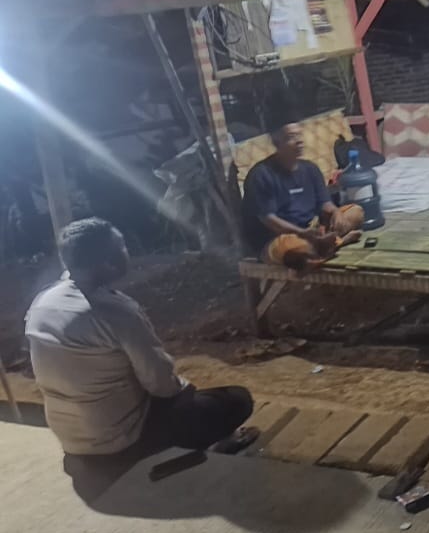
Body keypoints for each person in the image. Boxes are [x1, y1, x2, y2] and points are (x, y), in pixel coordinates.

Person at [25, 219, 256, 461]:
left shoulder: (43, 301)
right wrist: (184, 390)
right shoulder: (115, 312)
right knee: (237, 399)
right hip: (121, 440)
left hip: (71, 438)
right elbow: (161, 385)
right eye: (121, 247)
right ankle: (190, 452)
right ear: (108, 262)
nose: (127, 252)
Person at [241, 121, 364, 269]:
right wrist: (302, 233)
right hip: (279, 237)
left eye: (299, 135)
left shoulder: (310, 169)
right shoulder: (261, 174)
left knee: (356, 212)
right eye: (291, 137)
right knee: (293, 248)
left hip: (311, 229)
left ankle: (323, 245)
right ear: (277, 142)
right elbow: (270, 221)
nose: (299, 141)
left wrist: (336, 212)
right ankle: (335, 243)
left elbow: (325, 203)